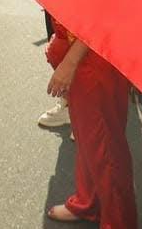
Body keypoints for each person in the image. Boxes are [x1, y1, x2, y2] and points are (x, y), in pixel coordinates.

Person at [44, 21, 136, 227]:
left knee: (105, 147)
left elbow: (104, 14)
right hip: (82, 47)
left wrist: (70, 61)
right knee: (88, 139)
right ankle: (90, 202)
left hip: (94, 54)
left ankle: (118, 222)